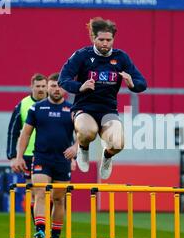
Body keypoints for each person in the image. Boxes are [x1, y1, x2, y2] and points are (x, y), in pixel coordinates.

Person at [58, 17, 147, 179]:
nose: (105, 43)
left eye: (109, 40)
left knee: (118, 143)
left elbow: (142, 83)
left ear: (113, 39)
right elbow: (63, 79)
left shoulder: (121, 58)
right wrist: (80, 86)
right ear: (93, 38)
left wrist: (132, 83)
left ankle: (107, 157)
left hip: (108, 110)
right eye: (101, 40)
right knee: (87, 132)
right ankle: (83, 148)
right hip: (85, 108)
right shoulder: (82, 55)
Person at [12, 73, 77, 238]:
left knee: (58, 199)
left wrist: (76, 149)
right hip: (41, 158)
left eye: (59, 86)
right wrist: (19, 156)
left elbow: (82, 135)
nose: (56, 89)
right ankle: (40, 230)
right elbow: (25, 134)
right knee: (40, 192)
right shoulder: (37, 108)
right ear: (48, 87)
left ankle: (55, 234)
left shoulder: (72, 110)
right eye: (53, 86)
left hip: (63, 159)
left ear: (64, 89)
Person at [7, 73, 48, 220]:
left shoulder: (54, 103)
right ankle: (39, 228)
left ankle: (49, 229)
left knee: (52, 194)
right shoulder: (23, 104)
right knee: (35, 193)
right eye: (38, 86)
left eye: (43, 86)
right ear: (32, 87)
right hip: (29, 155)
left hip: (51, 155)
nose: (41, 89)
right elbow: (12, 131)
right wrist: (12, 156)